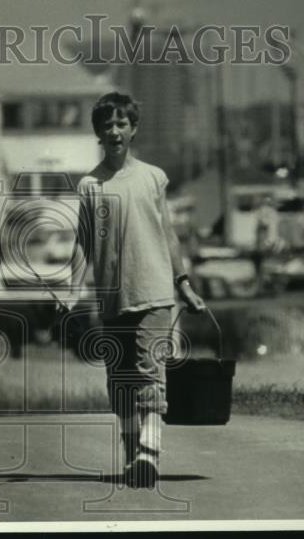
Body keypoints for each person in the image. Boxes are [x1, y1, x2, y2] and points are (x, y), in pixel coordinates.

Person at [72, 92, 206, 489]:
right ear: (98, 132)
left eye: (121, 124)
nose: (114, 131)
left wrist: (184, 283)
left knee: (151, 373)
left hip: (154, 290)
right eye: (107, 125)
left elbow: (168, 233)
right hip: (113, 297)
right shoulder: (89, 185)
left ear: (133, 129)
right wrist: (71, 289)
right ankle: (134, 454)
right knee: (121, 381)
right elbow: (82, 243)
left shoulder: (152, 177)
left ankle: (149, 452)